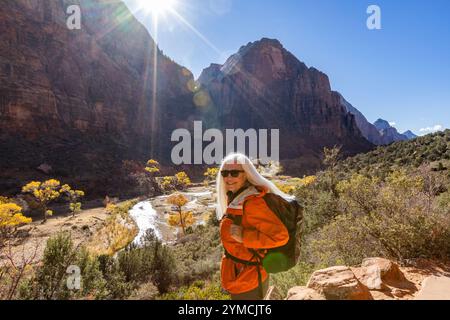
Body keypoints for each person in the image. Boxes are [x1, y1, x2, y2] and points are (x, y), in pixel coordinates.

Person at [216, 153, 292, 300]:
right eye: (225, 173)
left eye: (234, 173)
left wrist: (244, 236)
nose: (228, 178)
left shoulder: (253, 202)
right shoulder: (237, 196)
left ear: (246, 175)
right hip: (240, 275)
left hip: (249, 278)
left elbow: (280, 237)